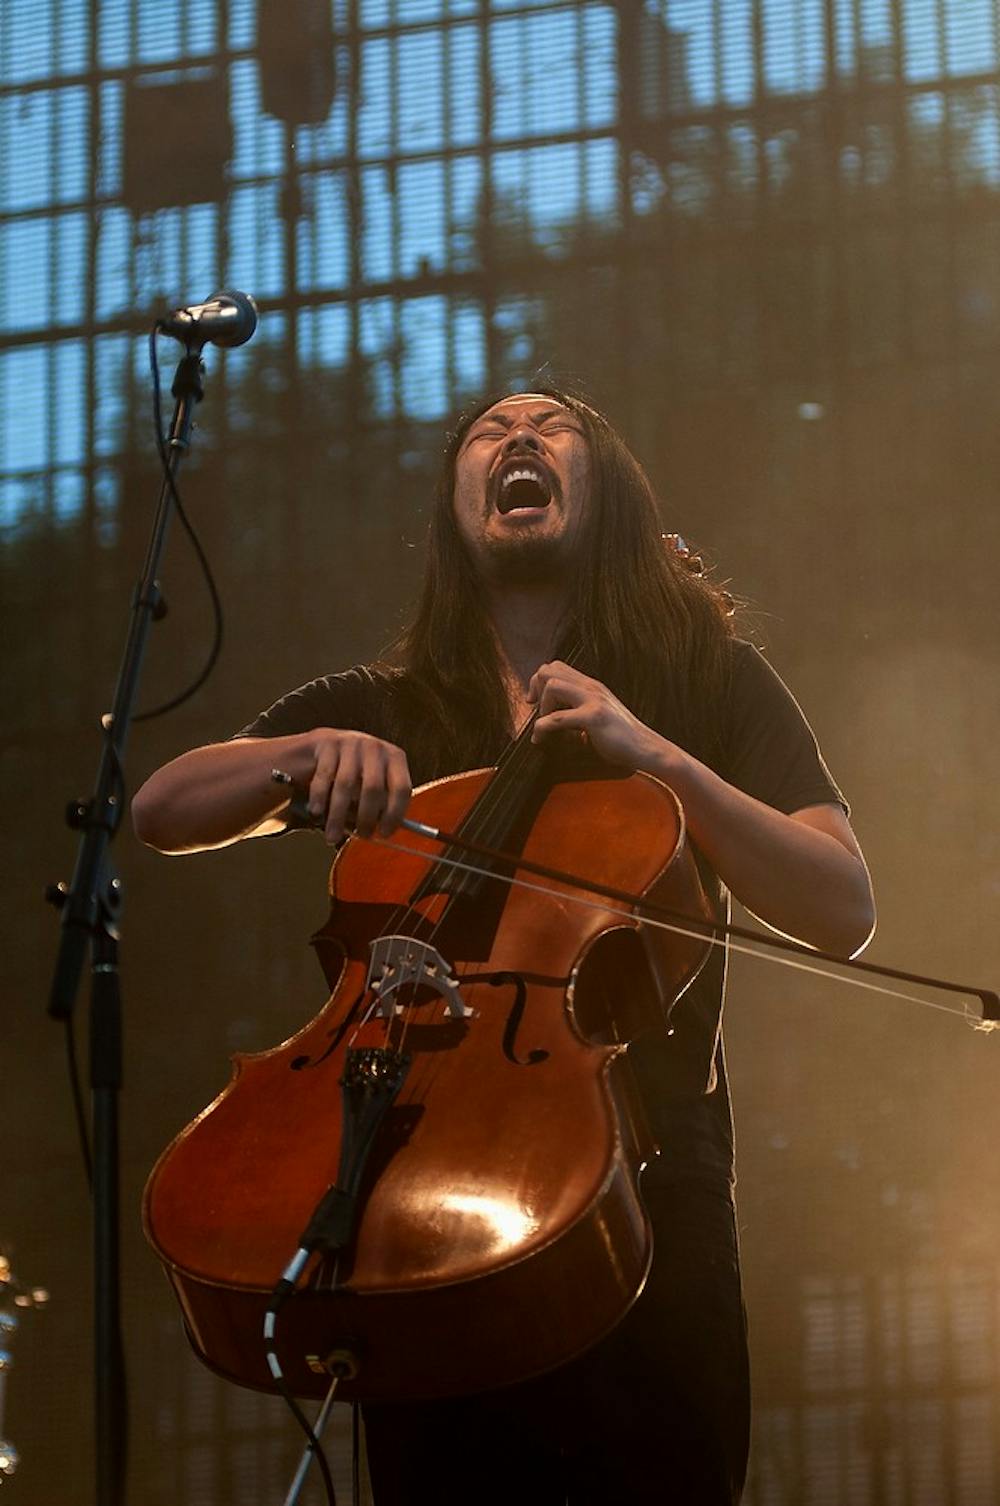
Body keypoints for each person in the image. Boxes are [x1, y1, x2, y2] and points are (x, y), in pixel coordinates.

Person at [132, 388, 875, 1505]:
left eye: (551, 424)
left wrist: (659, 759)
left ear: (606, 493)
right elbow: (164, 809)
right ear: (455, 511)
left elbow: (840, 905)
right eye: (487, 431)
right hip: (410, 1192)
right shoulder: (388, 706)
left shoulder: (701, 681)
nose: (517, 437)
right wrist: (303, 754)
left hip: (646, 1180)